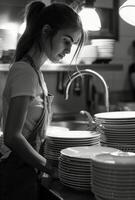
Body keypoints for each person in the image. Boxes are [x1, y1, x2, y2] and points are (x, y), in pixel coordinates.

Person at [0, 1, 84, 200]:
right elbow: (12, 136)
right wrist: (49, 167)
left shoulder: (35, 72)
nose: (68, 50)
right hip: (15, 175)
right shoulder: (24, 72)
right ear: (46, 31)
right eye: (66, 41)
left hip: (26, 171)